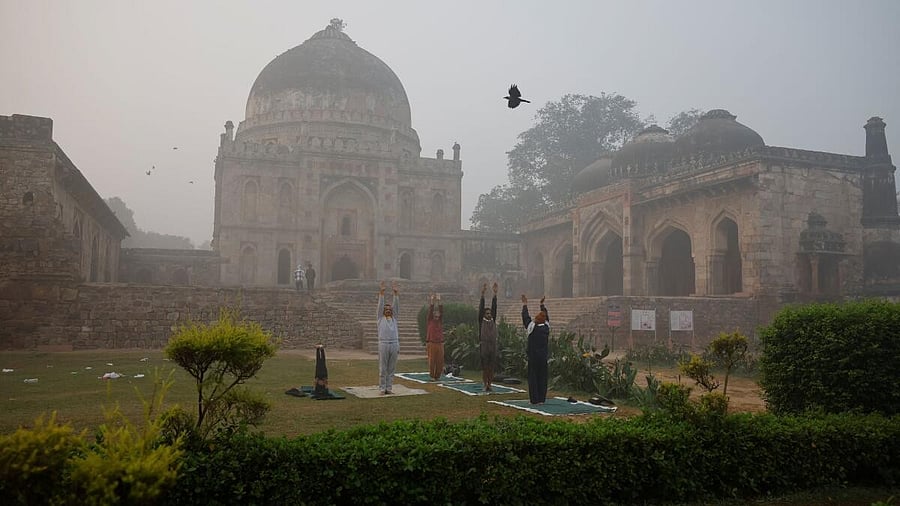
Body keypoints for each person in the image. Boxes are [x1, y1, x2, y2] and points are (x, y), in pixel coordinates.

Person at [522, 294, 550, 404]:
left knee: (533, 378)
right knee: (542, 377)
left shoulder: (532, 328)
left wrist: (525, 305)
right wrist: (542, 305)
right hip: (543, 357)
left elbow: (526, 319)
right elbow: (546, 317)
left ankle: (534, 399)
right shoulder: (546, 328)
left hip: (533, 357)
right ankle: (541, 399)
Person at [376, 280, 400, 395]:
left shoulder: (394, 319)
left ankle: (389, 388)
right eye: (386, 309)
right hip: (384, 343)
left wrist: (395, 294)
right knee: (383, 367)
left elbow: (396, 307)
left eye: (390, 309)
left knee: (391, 368)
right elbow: (380, 306)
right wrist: (382, 293)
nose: (388, 310)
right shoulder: (380, 319)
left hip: (394, 343)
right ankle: (382, 388)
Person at [478, 282, 499, 392]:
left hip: (492, 346)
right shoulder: (481, 321)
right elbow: (481, 308)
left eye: (489, 313)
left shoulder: (492, 320)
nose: (489, 314)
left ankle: (490, 384)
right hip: (484, 347)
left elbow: (494, 307)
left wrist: (495, 294)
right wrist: (482, 295)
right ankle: (485, 383)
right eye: (487, 313)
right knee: (485, 367)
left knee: (491, 367)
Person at [425, 293, 444, 381]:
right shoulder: (430, 321)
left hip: (440, 343)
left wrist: (439, 301)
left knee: (440, 361)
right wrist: (432, 301)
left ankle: (437, 376)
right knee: (432, 361)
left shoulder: (439, 321)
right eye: (435, 316)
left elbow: (441, 311)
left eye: (438, 316)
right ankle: (432, 376)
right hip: (432, 343)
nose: (437, 317)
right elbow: (430, 310)